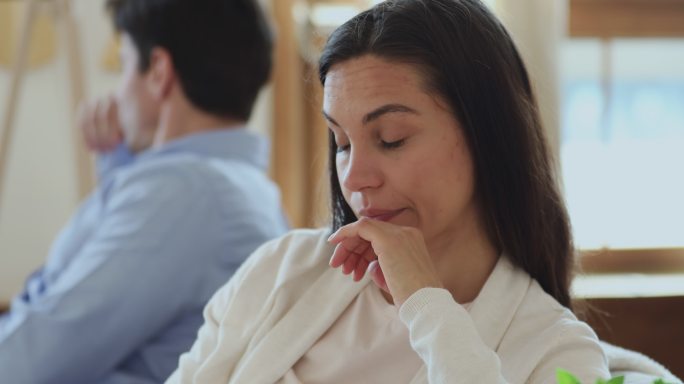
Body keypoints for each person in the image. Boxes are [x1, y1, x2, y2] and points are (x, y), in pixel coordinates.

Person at [167, 0, 610, 383]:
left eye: (392, 138)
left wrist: (426, 304)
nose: (355, 177)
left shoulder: (558, 352)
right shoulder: (279, 272)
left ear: (487, 135)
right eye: (342, 143)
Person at [0, 0, 288, 383]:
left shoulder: (183, 194)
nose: (117, 94)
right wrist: (121, 165)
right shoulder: (245, 188)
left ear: (158, 72)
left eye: (123, 66)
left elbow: (30, 360)